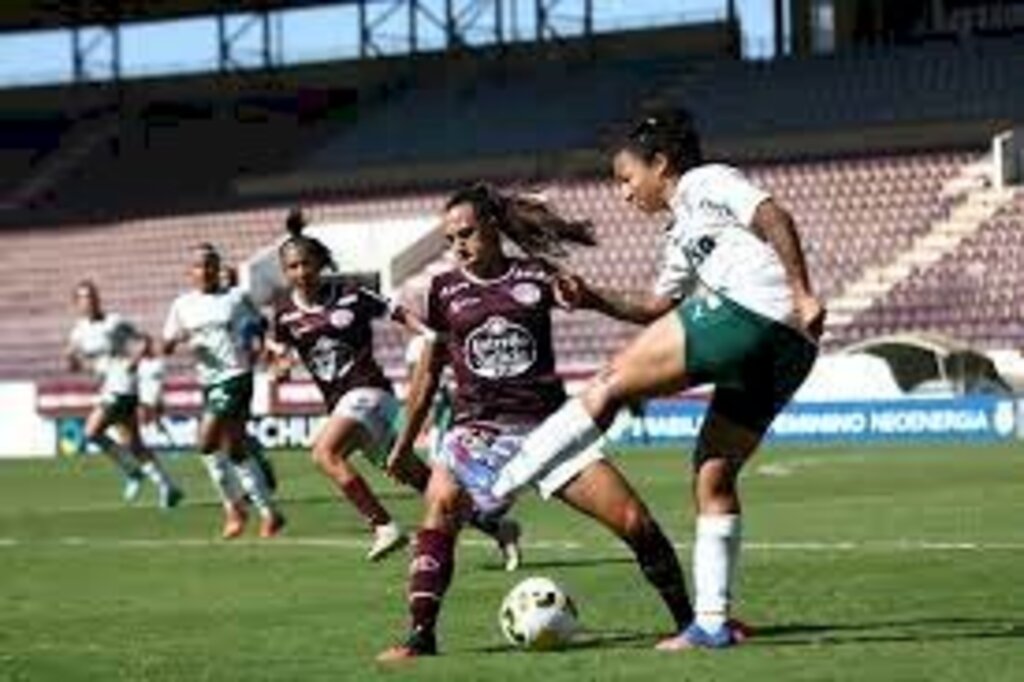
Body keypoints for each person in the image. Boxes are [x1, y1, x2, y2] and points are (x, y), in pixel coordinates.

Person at [489, 109, 825, 650]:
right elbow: (653, 308)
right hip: (791, 349)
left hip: (751, 311)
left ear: (661, 164)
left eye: (625, 178)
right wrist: (594, 297)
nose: (623, 194)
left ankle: (497, 484)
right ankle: (712, 623)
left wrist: (803, 290)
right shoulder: (681, 233)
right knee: (712, 476)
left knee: (610, 381)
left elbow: (774, 215)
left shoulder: (703, 182)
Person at [377, 183, 693, 661]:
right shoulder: (442, 291)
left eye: (465, 233)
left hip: (548, 430)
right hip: (479, 431)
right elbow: (427, 374)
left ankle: (692, 624)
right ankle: (421, 636)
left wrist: (589, 297)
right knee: (441, 502)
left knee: (634, 520)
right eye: (450, 239)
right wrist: (403, 444)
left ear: (492, 227)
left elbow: (627, 310)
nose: (458, 245)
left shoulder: (536, 275)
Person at [268, 209, 520, 564]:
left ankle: (383, 526)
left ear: (320, 263)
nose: (301, 273)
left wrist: (430, 335)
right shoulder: (285, 317)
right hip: (346, 404)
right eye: (292, 267)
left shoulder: (351, 295)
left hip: (368, 393)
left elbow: (397, 312)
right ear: (285, 272)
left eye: (306, 264)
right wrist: (280, 368)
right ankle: (497, 526)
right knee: (417, 478)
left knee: (324, 453)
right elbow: (280, 355)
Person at [162, 243, 285, 539]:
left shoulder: (235, 298)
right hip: (209, 381)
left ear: (218, 269)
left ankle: (233, 508)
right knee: (235, 449)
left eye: (210, 265)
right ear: (190, 272)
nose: (204, 271)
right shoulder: (182, 305)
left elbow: (260, 327)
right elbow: (165, 345)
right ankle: (269, 512)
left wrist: (273, 356)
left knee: (206, 441)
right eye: (199, 266)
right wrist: (176, 341)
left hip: (237, 376)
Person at [64, 281, 183, 507]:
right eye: (84, 298)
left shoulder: (114, 322)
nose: (90, 301)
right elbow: (76, 366)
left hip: (122, 384)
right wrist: (71, 358)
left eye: (93, 296)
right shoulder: (78, 331)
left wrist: (133, 362)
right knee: (134, 443)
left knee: (91, 432)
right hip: (107, 386)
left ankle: (132, 473)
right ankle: (168, 487)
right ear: (77, 303)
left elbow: (145, 340)